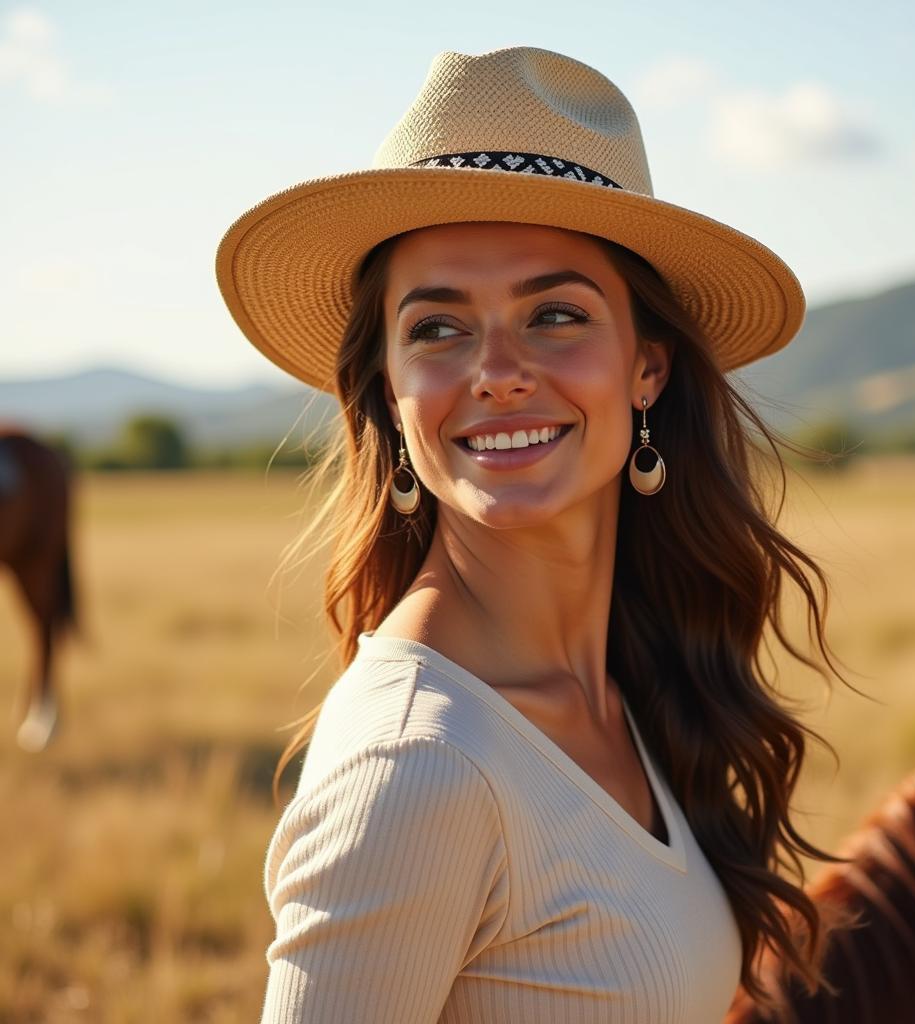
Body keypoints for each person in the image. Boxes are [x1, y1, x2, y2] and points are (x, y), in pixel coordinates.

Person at [216, 45, 851, 1023]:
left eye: (554, 314)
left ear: (646, 367)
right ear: (388, 390)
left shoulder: (613, 686)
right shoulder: (416, 765)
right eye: (437, 327)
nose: (497, 371)